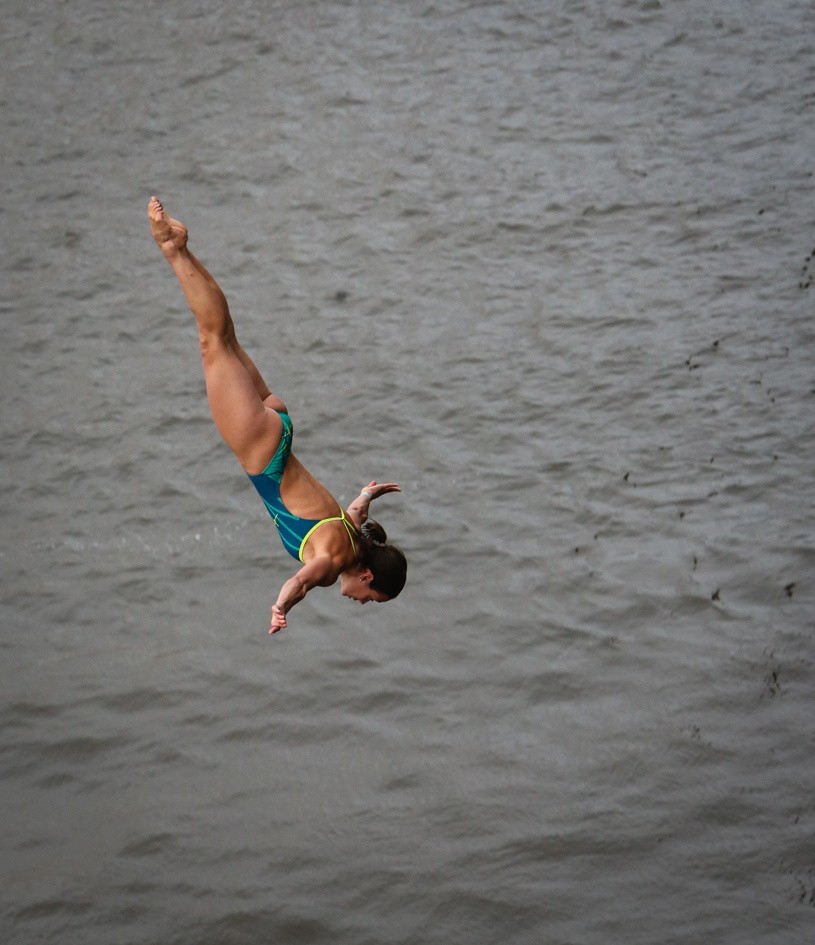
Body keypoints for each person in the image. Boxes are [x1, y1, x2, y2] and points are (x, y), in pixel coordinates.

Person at [147, 196, 406, 634]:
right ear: (367, 577)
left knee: (224, 336)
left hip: (279, 426)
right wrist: (281, 606)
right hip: (261, 450)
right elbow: (302, 579)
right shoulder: (332, 565)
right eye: (371, 598)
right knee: (211, 340)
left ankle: (181, 246)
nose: (363, 603)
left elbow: (356, 509)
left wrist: (367, 493)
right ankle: (173, 248)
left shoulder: (355, 535)